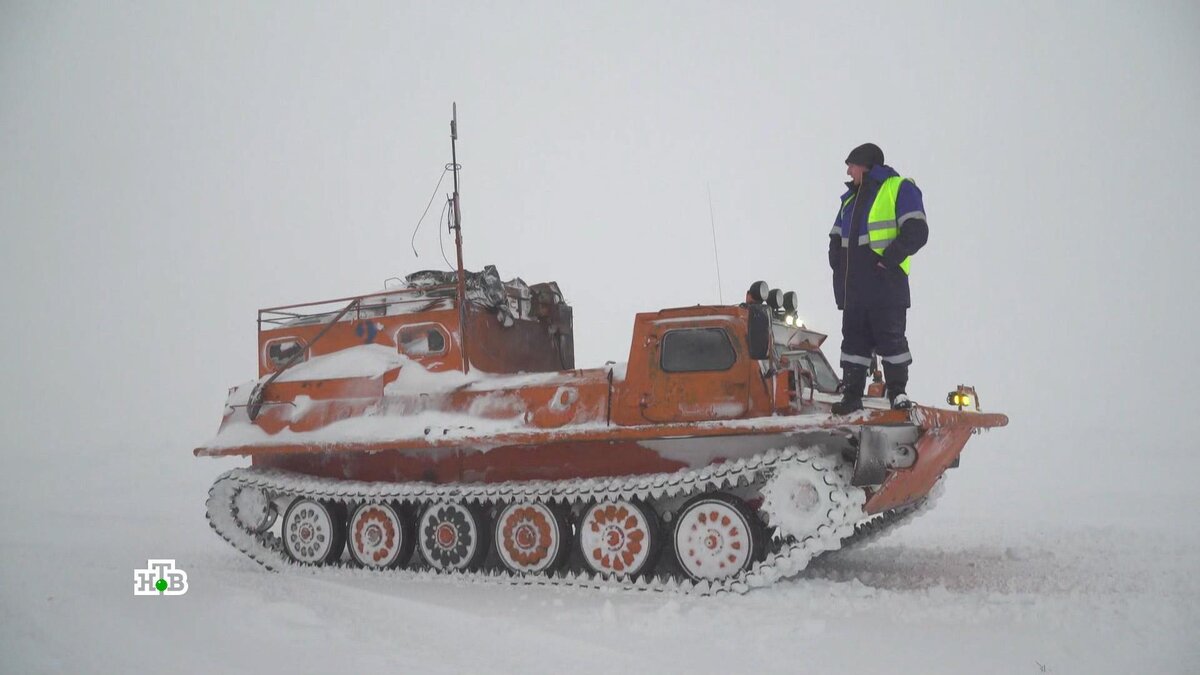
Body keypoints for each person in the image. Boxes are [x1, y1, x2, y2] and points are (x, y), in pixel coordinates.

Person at [828, 143, 928, 414]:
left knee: (891, 341)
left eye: (851, 165)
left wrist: (887, 261)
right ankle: (851, 396)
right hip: (854, 292)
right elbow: (835, 237)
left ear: (866, 165)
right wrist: (836, 263)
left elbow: (916, 231)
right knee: (853, 345)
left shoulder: (898, 187)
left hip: (886, 289)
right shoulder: (849, 200)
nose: (848, 171)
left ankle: (898, 393)